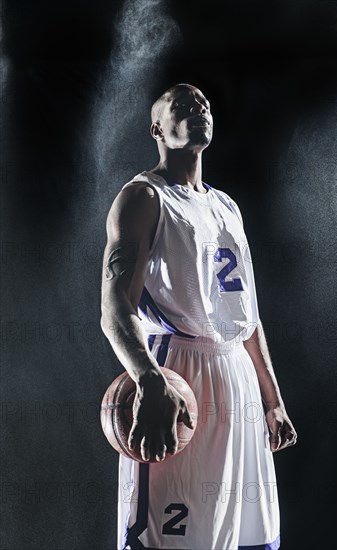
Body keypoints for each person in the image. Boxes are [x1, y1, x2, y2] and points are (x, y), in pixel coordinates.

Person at [100, 83, 297, 550]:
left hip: (239, 379)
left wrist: (272, 398)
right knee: (176, 538)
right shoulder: (144, 197)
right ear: (157, 129)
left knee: (251, 537)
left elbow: (246, 315)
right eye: (182, 104)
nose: (198, 108)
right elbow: (114, 308)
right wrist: (148, 379)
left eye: (204, 103)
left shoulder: (227, 206)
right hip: (179, 374)